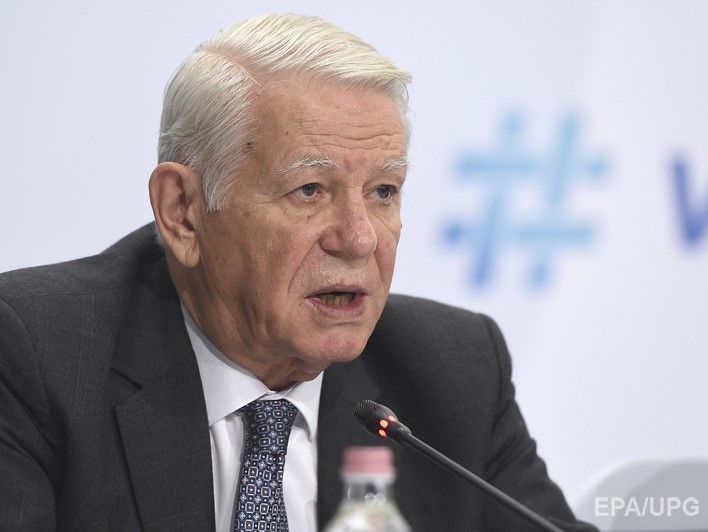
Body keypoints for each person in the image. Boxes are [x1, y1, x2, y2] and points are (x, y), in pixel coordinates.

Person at [0, 14, 597, 532]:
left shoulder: (455, 371)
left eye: (383, 191)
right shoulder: (37, 354)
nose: (359, 238)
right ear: (182, 211)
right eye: (309, 190)